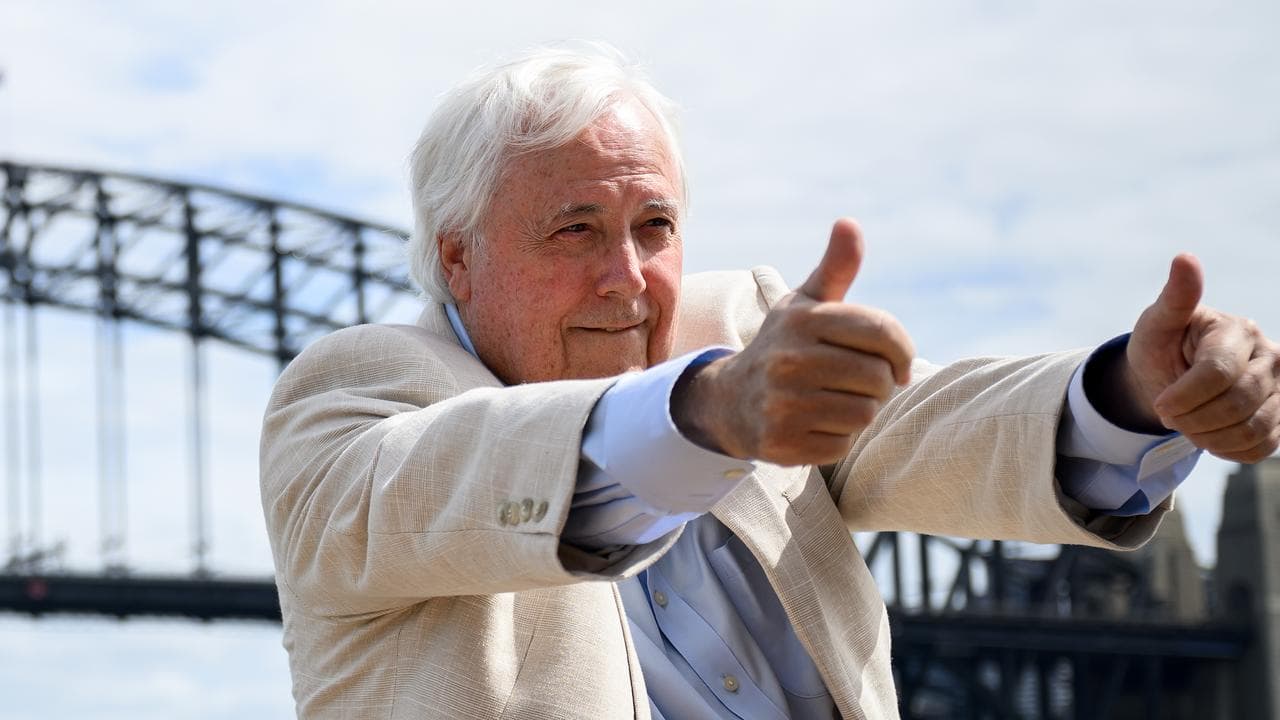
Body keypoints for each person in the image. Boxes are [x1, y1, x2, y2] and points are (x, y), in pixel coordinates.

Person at [259, 44, 1280, 719]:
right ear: (458, 258)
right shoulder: (350, 404)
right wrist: (707, 416)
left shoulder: (736, 332)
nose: (626, 277)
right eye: (574, 230)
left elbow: (927, 426)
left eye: (653, 226)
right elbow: (447, 479)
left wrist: (1137, 394)